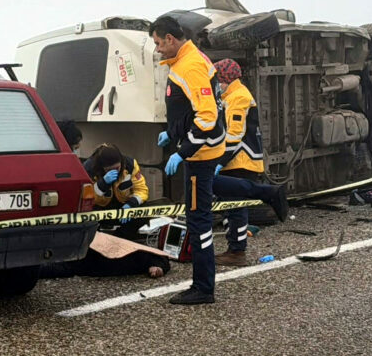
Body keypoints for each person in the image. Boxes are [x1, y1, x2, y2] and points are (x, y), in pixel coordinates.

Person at [149, 15, 225, 305]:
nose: (157, 49)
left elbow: (207, 116)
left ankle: (203, 288)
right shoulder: (185, 60)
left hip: (201, 155)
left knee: (198, 222)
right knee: (199, 215)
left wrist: (183, 152)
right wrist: (172, 133)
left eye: (158, 43)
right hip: (201, 150)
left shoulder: (189, 65)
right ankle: (202, 284)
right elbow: (189, 110)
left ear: (170, 39)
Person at [209, 58, 290, 266]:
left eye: (218, 80)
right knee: (232, 206)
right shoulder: (231, 96)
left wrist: (219, 160)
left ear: (225, 79)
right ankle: (235, 247)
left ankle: (236, 252)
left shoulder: (238, 97)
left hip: (240, 159)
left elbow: (235, 134)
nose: (216, 85)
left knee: (235, 207)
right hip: (237, 159)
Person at [82, 143, 150, 228]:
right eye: (109, 170)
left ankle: (121, 237)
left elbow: (141, 190)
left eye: (117, 168)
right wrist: (102, 184)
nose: (115, 171)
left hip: (124, 206)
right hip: (101, 209)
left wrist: (131, 204)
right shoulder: (89, 169)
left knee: (145, 209)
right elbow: (88, 199)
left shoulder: (130, 165)